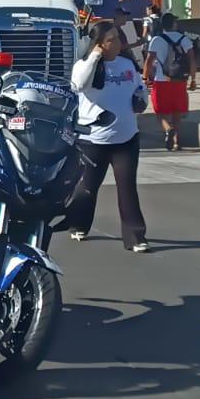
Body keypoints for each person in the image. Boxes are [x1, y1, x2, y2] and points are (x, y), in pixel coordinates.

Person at [66, 21, 149, 251]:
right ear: (100, 44)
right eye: (111, 40)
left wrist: (142, 98)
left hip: (126, 137)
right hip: (94, 139)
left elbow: (139, 86)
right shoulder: (86, 65)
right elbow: (78, 85)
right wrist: (94, 56)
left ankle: (136, 237)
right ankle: (78, 224)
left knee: (127, 186)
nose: (118, 44)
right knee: (87, 186)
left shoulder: (127, 64)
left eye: (118, 38)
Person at [142, 13, 196, 152]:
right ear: (174, 24)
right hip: (179, 81)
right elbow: (192, 61)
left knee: (160, 113)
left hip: (161, 81)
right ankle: (177, 142)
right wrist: (193, 79)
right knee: (177, 113)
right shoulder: (184, 40)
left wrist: (145, 77)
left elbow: (148, 61)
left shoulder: (156, 40)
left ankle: (168, 128)